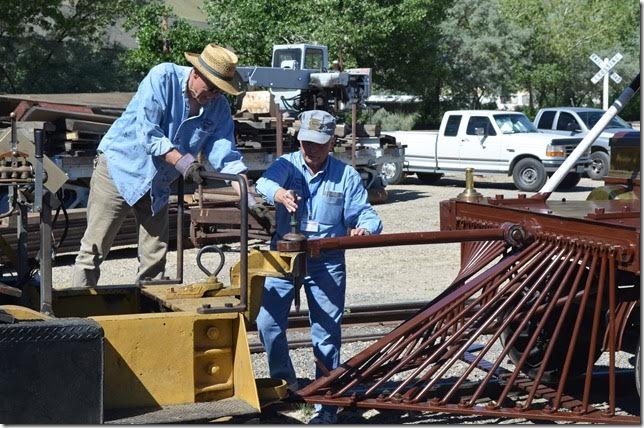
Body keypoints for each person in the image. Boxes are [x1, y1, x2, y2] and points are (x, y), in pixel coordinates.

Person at [71, 43, 266, 287]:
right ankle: (76, 317)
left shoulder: (218, 108)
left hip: (158, 184)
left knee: (155, 258)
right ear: (196, 73)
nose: (213, 95)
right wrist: (185, 163)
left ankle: (150, 315)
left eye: (220, 91)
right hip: (121, 170)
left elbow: (226, 157)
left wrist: (250, 200)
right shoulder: (162, 77)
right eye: (211, 88)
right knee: (93, 250)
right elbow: (149, 133)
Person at [254, 110, 383, 424]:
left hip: (326, 260)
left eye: (318, 144)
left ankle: (325, 403)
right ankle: (286, 387)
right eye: (306, 142)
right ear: (298, 139)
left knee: (325, 333)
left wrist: (365, 229)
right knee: (267, 323)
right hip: (285, 256)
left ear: (332, 143)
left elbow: (365, 214)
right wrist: (279, 193)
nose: (310, 150)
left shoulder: (345, 176)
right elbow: (262, 183)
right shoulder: (288, 165)